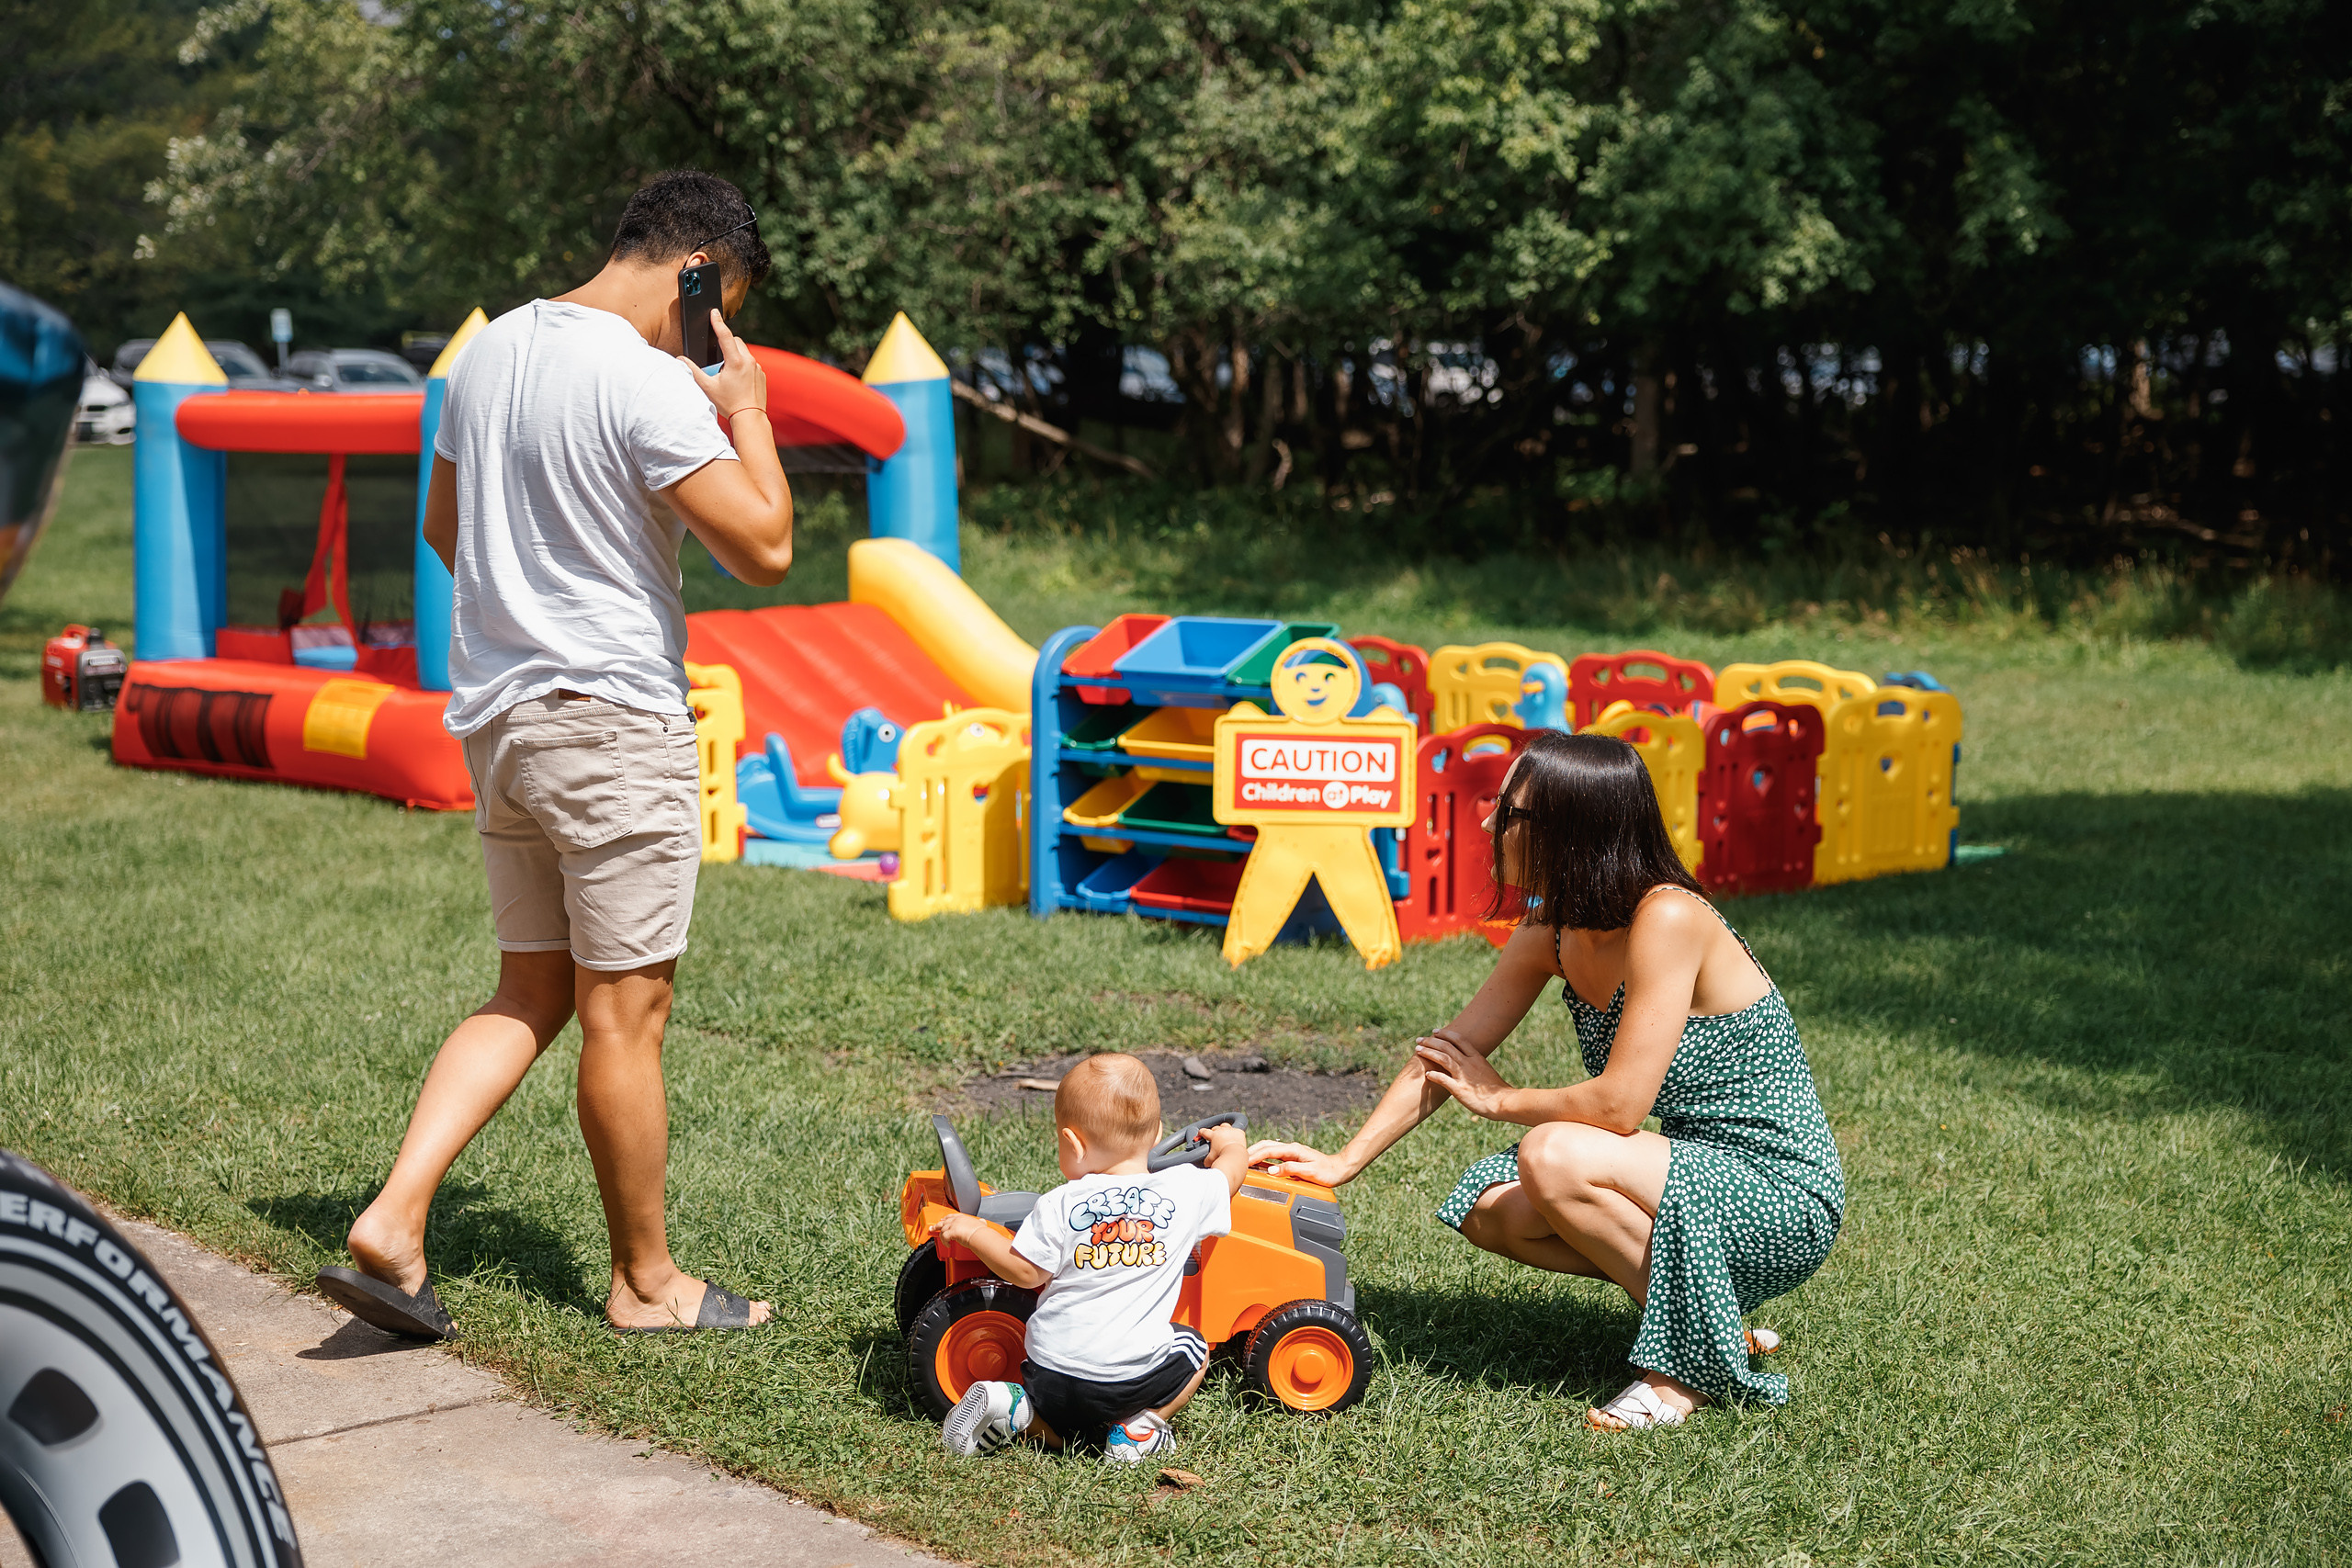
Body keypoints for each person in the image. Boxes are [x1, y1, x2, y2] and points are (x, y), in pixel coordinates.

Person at [314, 170, 794, 1338]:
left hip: (501, 719)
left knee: (528, 989)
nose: (722, 324)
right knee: (626, 1012)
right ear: (701, 274)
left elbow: (444, 527)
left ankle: (396, 1213)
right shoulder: (644, 381)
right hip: (612, 723)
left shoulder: (487, 351)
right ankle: (646, 1286)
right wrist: (747, 406)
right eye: (725, 299)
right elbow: (769, 546)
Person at [1249, 731, 1845, 1428]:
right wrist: (1342, 1160)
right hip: (1691, 1175)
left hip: (1778, 1190)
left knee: (1553, 1156)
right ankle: (1713, 1326)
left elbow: (1620, 1106)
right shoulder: (1551, 932)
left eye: (1507, 811)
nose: (1485, 823)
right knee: (1492, 1205)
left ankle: (1684, 1375)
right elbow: (1447, 1052)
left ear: (1569, 830)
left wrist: (1500, 1099)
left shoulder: (1669, 916)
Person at [931, 1054, 1247, 1461]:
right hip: (1129, 1382)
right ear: (1160, 1135)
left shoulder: (1060, 1202)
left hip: (1048, 1375)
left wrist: (975, 1232)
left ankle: (1019, 1411)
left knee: (1064, 1425)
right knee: (1196, 1346)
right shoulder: (1187, 1189)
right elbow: (1232, 1175)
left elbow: (1026, 1273)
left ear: (1073, 1144)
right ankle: (1140, 1430)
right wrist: (1231, 1146)